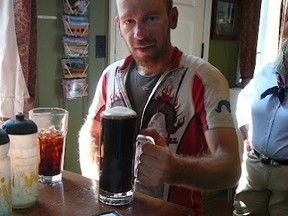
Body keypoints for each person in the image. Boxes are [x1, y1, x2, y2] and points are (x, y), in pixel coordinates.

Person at [79, 0, 241, 215]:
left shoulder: (204, 79)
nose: (139, 33)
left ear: (172, 18)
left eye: (151, 19)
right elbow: (91, 131)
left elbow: (230, 169)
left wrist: (177, 170)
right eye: (129, 21)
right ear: (119, 25)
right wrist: (97, 183)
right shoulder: (111, 76)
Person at [233, 33, 288, 215]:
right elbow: (245, 98)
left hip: (285, 173)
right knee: (243, 211)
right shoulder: (268, 71)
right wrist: (246, 130)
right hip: (254, 164)